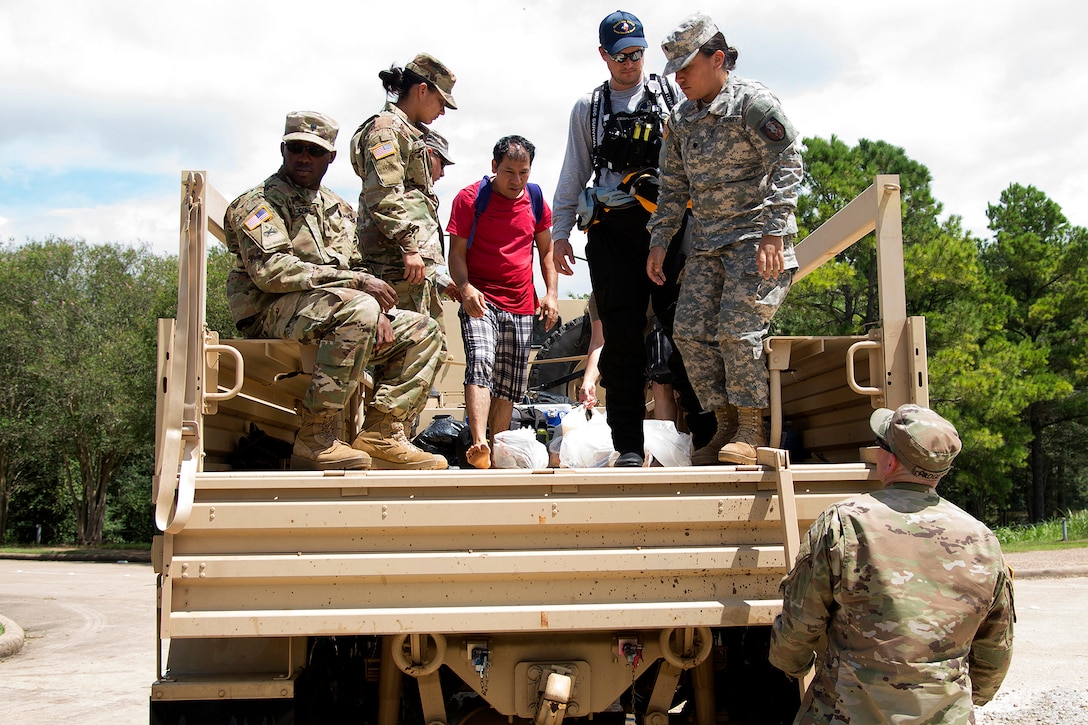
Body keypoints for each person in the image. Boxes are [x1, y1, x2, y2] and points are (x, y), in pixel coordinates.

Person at [224, 111, 443, 471]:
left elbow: (356, 265)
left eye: (314, 151)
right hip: (270, 311)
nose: (304, 158)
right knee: (360, 310)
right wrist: (361, 292)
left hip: (332, 310)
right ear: (283, 150)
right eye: (296, 148)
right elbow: (272, 272)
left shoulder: (337, 208)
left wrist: (378, 310)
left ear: (332, 157)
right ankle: (316, 436)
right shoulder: (259, 204)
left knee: (424, 331)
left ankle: (382, 433)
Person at [769, 404, 1015, 723]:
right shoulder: (982, 540)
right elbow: (996, 647)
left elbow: (798, 626)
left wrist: (792, 664)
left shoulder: (844, 523)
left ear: (890, 460)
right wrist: (967, 695)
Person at [647, 12, 803, 466]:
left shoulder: (751, 103)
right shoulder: (681, 119)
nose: (678, 79)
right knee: (690, 333)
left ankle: (752, 431)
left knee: (738, 330)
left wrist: (775, 231)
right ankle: (725, 424)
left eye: (686, 67)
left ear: (718, 59)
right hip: (708, 244)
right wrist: (660, 240)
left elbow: (789, 160)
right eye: (673, 70)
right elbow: (673, 186)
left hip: (756, 241)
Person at [552, 10, 701, 467]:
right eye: (621, 56)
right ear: (604, 55)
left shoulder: (669, 95)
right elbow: (573, 173)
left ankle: (708, 432)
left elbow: (697, 157)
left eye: (637, 53)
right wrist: (560, 234)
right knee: (620, 340)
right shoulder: (588, 108)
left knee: (688, 332)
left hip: (669, 226)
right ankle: (630, 447)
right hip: (612, 234)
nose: (630, 63)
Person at [447, 135, 559, 469]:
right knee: (480, 360)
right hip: (480, 298)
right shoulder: (470, 199)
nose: (516, 180)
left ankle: (495, 453)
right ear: (494, 166)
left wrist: (551, 294)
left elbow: (547, 251)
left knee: (510, 383)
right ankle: (479, 440)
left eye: (523, 172)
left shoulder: (536, 199)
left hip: (521, 304)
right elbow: (455, 253)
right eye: (509, 171)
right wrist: (465, 288)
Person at [350, 53, 457, 319]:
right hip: (396, 265)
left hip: (413, 267)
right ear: (423, 90)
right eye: (441, 102)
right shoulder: (387, 130)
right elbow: (384, 195)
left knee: (430, 349)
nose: (442, 111)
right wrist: (409, 247)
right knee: (409, 351)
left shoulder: (407, 131)